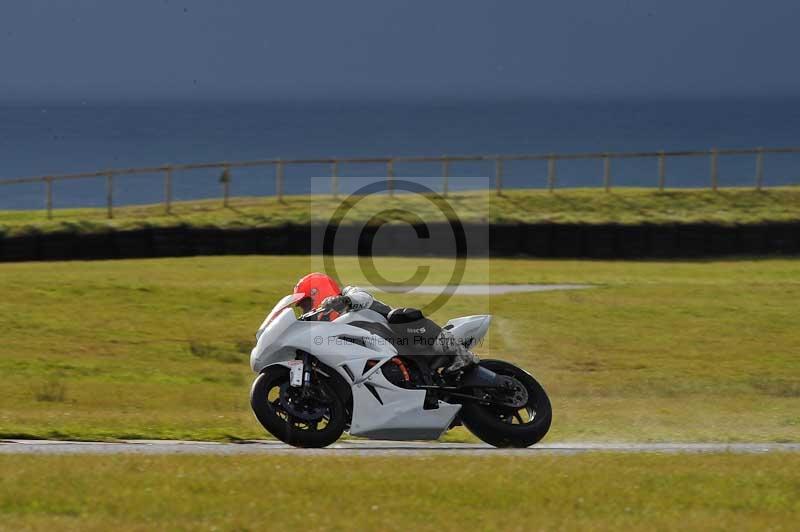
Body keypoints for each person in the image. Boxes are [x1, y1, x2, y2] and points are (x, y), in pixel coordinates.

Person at [293, 272, 479, 374]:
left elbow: (363, 297)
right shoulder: (327, 330)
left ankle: (459, 353)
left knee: (400, 316)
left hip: (396, 335)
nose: (306, 309)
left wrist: (346, 301)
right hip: (380, 356)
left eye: (307, 303)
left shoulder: (348, 294)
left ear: (319, 291)